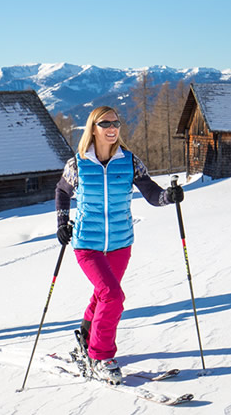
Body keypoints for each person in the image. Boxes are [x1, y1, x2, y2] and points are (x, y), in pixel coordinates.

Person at [55, 105, 184, 384]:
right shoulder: (77, 163)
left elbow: (151, 193)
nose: (112, 128)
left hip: (120, 242)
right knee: (112, 295)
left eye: (116, 123)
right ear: (93, 128)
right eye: (105, 123)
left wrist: (169, 197)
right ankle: (101, 355)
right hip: (87, 243)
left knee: (103, 295)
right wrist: (62, 223)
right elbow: (62, 192)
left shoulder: (130, 161)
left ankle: (86, 339)